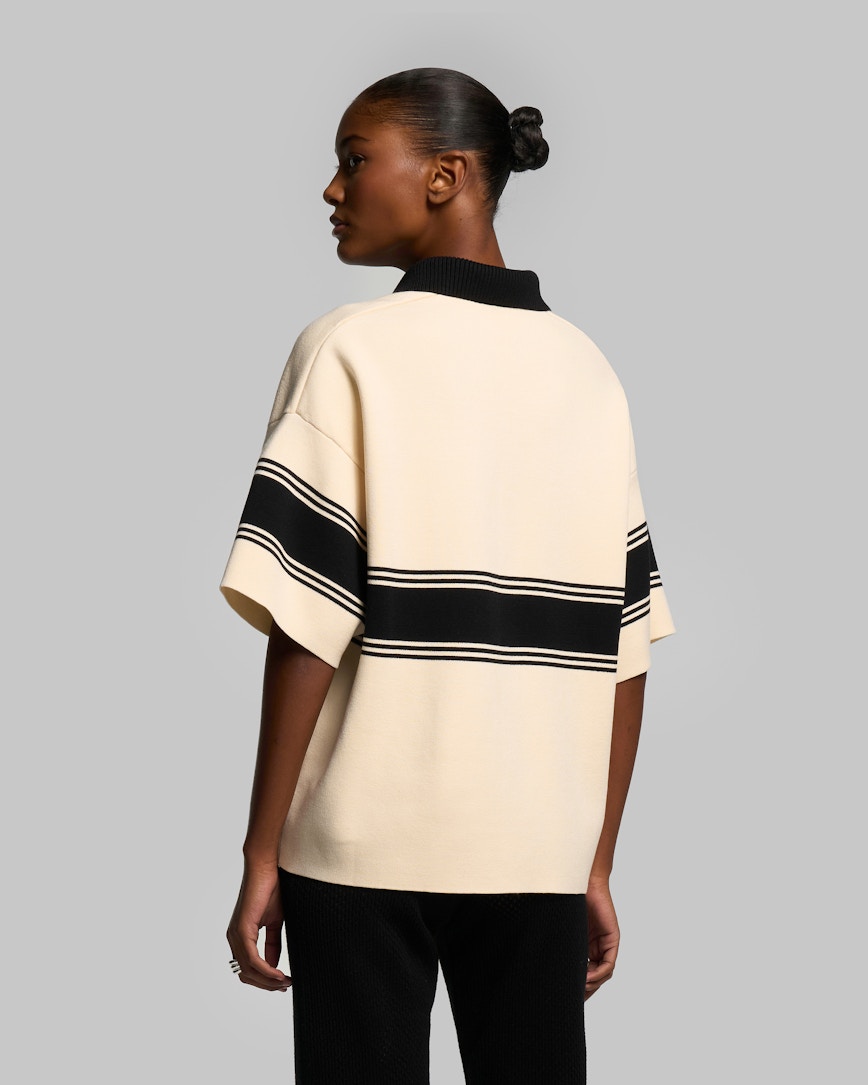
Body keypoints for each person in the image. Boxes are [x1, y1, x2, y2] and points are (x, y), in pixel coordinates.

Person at [221, 66, 675, 1084]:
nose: (332, 187)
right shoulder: (588, 371)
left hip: (358, 849)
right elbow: (624, 650)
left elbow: (306, 625)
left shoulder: (347, 349)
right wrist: (594, 858)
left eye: (353, 160)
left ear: (445, 175)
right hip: (537, 849)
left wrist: (260, 850)